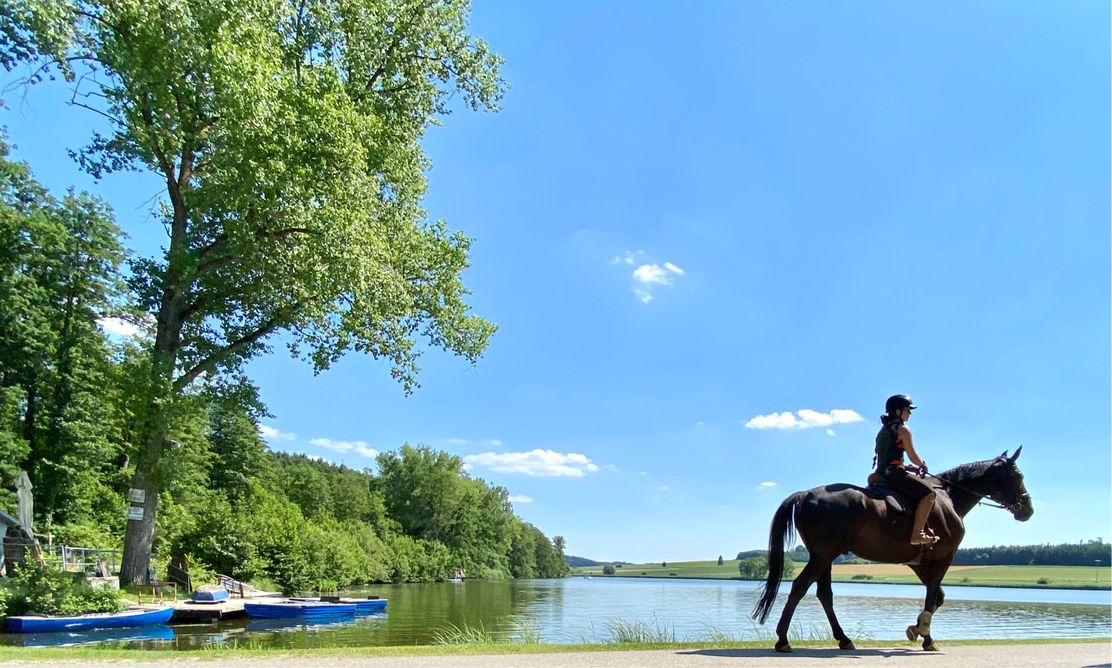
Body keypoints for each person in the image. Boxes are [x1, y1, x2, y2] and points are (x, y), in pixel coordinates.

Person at [874, 394, 939, 545]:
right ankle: (918, 534)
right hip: (895, 475)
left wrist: (910, 468)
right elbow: (913, 456)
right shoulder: (903, 430)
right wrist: (921, 464)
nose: (909, 413)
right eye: (907, 410)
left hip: (881, 474)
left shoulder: (882, 432)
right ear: (898, 412)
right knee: (930, 493)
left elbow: (887, 458)